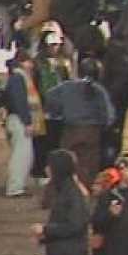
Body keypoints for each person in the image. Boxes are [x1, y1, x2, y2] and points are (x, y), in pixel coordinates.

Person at [45, 56, 115, 185]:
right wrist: (104, 126)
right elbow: (109, 114)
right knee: (89, 163)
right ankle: (85, 188)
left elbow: (49, 97)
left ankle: (64, 187)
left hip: (71, 129)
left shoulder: (66, 86)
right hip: (92, 131)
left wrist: (59, 112)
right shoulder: (99, 90)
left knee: (66, 162)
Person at [2, 52, 42, 198]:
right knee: (21, 155)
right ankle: (15, 187)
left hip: (15, 119)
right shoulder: (19, 78)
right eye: (28, 62)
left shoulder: (15, 77)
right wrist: (27, 122)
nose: (31, 66)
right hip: (18, 119)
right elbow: (20, 102)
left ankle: (17, 185)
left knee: (22, 154)